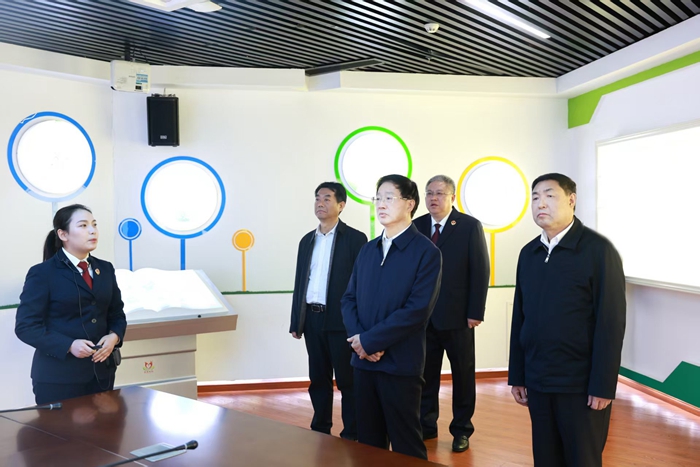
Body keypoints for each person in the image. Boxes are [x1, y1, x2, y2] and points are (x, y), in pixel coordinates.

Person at [508, 173, 626, 467]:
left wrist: (602, 385)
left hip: (580, 385)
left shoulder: (598, 251)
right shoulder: (529, 253)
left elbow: (610, 324)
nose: (540, 204)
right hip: (538, 380)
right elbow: (520, 318)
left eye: (549, 195)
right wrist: (518, 375)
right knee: (546, 458)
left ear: (571, 200)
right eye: (535, 197)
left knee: (581, 459)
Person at [341, 174, 442, 460]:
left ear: (410, 204)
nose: (381, 204)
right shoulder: (368, 249)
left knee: (406, 445)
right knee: (368, 445)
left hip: (400, 365)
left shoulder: (426, 252)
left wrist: (370, 342)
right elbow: (348, 299)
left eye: (389, 198)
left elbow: (417, 310)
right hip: (363, 363)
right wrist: (360, 342)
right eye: (378, 198)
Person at [15, 204, 127, 405]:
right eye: (83, 225)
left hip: (101, 375)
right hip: (58, 379)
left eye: (94, 224)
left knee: (104, 426)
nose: (92, 231)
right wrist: (68, 345)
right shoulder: (43, 273)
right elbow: (26, 327)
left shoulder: (105, 269)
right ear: (63, 234)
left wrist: (114, 337)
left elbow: (117, 314)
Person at [413, 175, 489, 452]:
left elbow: (480, 269)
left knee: (463, 376)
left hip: (459, 317)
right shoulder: (417, 225)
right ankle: (427, 425)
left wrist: (475, 311)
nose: (433, 198)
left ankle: (461, 429)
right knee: (426, 375)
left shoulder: (469, 226)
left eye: (440, 193)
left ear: (452, 197)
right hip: (424, 318)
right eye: (429, 193)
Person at [289, 182, 367, 440]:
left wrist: (359, 324)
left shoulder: (355, 239)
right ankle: (320, 429)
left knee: (347, 380)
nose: (320, 203)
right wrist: (296, 321)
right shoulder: (306, 240)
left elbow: (362, 285)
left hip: (341, 321)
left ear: (341, 205)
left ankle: (352, 433)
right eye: (317, 198)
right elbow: (301, 282)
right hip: (312, 319)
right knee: (318, 378)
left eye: (327, 198)